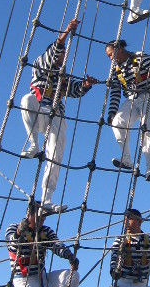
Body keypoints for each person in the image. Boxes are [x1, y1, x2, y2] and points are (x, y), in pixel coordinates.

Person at [20, 19, 98, 214]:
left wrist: (86, 85)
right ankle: (34, 145)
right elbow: (53, 52)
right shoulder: (40, 64)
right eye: (62, 54)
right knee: (26, 100)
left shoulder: (63, 76)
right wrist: (64, 34)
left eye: (63, 55)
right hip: (39, 112)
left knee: (56, 154)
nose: (63, 57)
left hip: (55, 116)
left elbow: (75, 90)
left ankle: (46, 199)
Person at [105, 39, 150, 181]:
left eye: (111, 54)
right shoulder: (115, 70)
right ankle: (126, 159)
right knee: (117, 122)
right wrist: (112, 112)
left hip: (148, 96)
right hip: (131, 99)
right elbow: (115, 91)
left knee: (146, 128)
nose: (111, 58)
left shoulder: (139, 56)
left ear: (119, 49)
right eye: (109, 56)